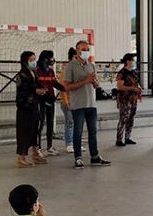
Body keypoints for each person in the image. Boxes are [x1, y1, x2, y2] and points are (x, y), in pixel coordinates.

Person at [63, 40, 111, 169]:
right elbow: (67, 86)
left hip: (91, 104)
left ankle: (94, 156)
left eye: (87, 49)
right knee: (77, 132)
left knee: (93, 132)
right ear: (77, 51)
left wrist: (95, 83)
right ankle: (78, 157)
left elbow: (95, 83)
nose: (86, 52)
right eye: (83, 49)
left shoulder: (91, 65)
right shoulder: (70, 66)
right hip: (78, 105)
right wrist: (85, 81)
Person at [15, 51, 47, 168]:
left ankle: (35, 153)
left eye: (35, 59)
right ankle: (21, 158)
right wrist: (35, 91)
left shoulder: (33, 73)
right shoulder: (22, 75)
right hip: (25, 107)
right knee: (24, 132)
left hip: (34, 106)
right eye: (31, 60)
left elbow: (36, 85)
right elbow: (23, 91)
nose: (34, 62)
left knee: (34, 131)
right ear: (25, 62)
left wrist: (42, 89)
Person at [35, 50, 66, 157]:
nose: (53, 60)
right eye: (51, 57)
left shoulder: (51, 71)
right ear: (45, 59)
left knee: (50, 123)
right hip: (40, 101)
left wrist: (66, 88)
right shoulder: (37, 70)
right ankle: (37, 148)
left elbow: (55, 83)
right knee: (39, 123)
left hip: (50, 100)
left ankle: (49, 147)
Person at [58, 48, 85, 154]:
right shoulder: (65, 71)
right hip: (68, 103)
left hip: (77, 102)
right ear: (71, 58)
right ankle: (69, 144)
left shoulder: (78, 70)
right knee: (70, 123)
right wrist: (66, 102)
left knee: (78, 124)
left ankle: (76, 144)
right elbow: (63, 89)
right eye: (75, 57)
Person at [115, 53, 142, 146]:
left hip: (133, 99)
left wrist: (138, 89)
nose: (134, 62)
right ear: (128, 61)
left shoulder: (134, 72)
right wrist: (132, 88)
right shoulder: (122, 73)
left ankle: (127, 137)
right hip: (124, 99)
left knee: (131, 118)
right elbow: (119, 86)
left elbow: (136, 84)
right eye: (132, 60)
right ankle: (119, 139)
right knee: (123, 118)